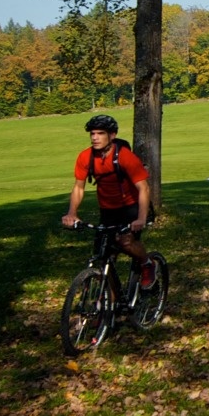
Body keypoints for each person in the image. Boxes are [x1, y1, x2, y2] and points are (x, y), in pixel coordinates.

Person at [62, 114, 156, 289]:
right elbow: (78, 188)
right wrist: (72, 213)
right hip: (107, 210)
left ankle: (147, 263)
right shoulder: (85, 157)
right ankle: (107, 310)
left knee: (125, 242)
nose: (95, 138)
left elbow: (144, 188)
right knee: (103, 257)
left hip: (130, 207)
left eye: (100, 133)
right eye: (92, 134)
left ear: (112, 135)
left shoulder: (125, 157)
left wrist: (141, 219)